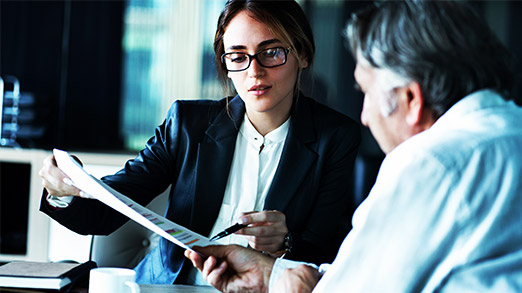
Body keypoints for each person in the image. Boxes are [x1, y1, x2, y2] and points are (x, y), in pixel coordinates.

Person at [185, 1, 522, 292]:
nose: (364, 116)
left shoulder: (432, 162)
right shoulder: (509, 133)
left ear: (411, 99)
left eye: (367, 93)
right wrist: (272, 275)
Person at [38, 0, 361, 285]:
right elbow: (106, 212)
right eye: (238, 56)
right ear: (225, 64)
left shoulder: (336, 138)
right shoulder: (187, 125)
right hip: (170, 288)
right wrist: (62, 190)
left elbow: (330, 254)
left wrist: (285, 243)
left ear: (302, 55)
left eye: (272, 52)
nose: (255, 71)